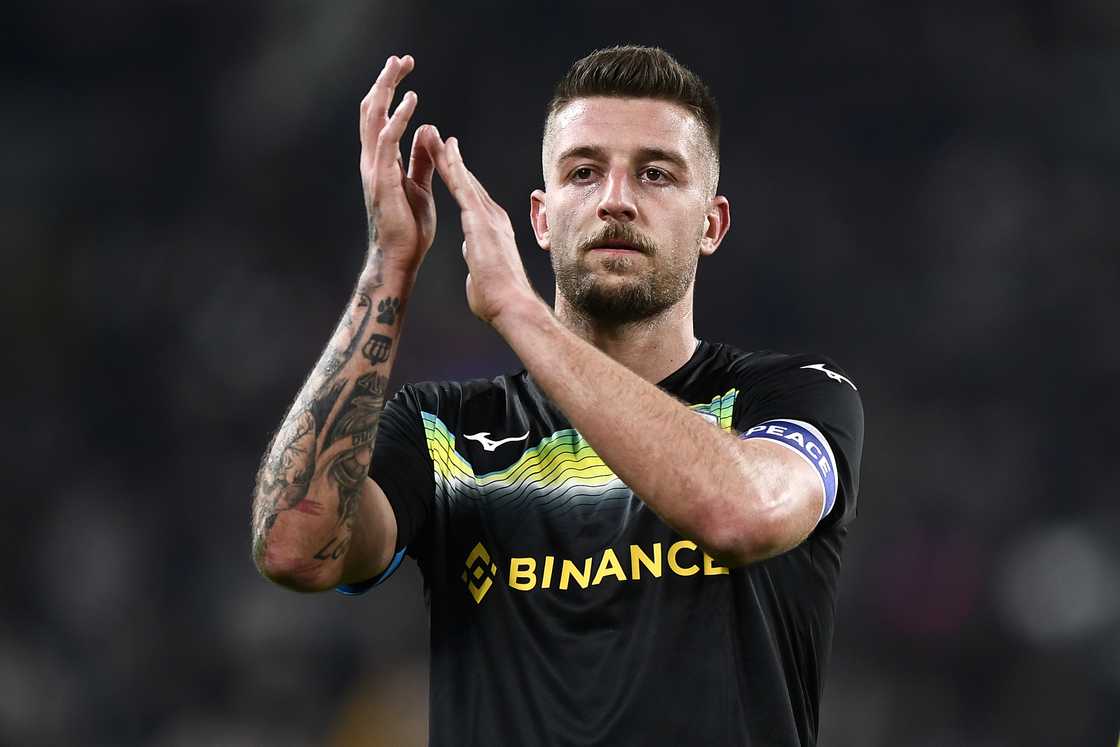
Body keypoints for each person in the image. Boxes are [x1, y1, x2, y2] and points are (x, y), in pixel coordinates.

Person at [251, 45, 864, 746]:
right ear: (541, 219)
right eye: (583, 171)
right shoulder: (443, 432)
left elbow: (741, 513)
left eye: (657, 174)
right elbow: (296, 547)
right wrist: (387, 265)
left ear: (711, 224)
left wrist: (520, 312)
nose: (616, 199)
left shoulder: (791, 397)